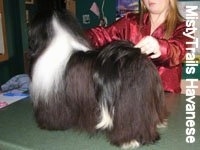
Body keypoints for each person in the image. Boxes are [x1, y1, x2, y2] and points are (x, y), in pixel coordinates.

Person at [86, 0, 191, 93]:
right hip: (132, 99)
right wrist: (75, 35)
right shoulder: (130, 22)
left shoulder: (184, 28)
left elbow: (178, 50)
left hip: (165, 99)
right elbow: (101, 35)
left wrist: (159, 47)